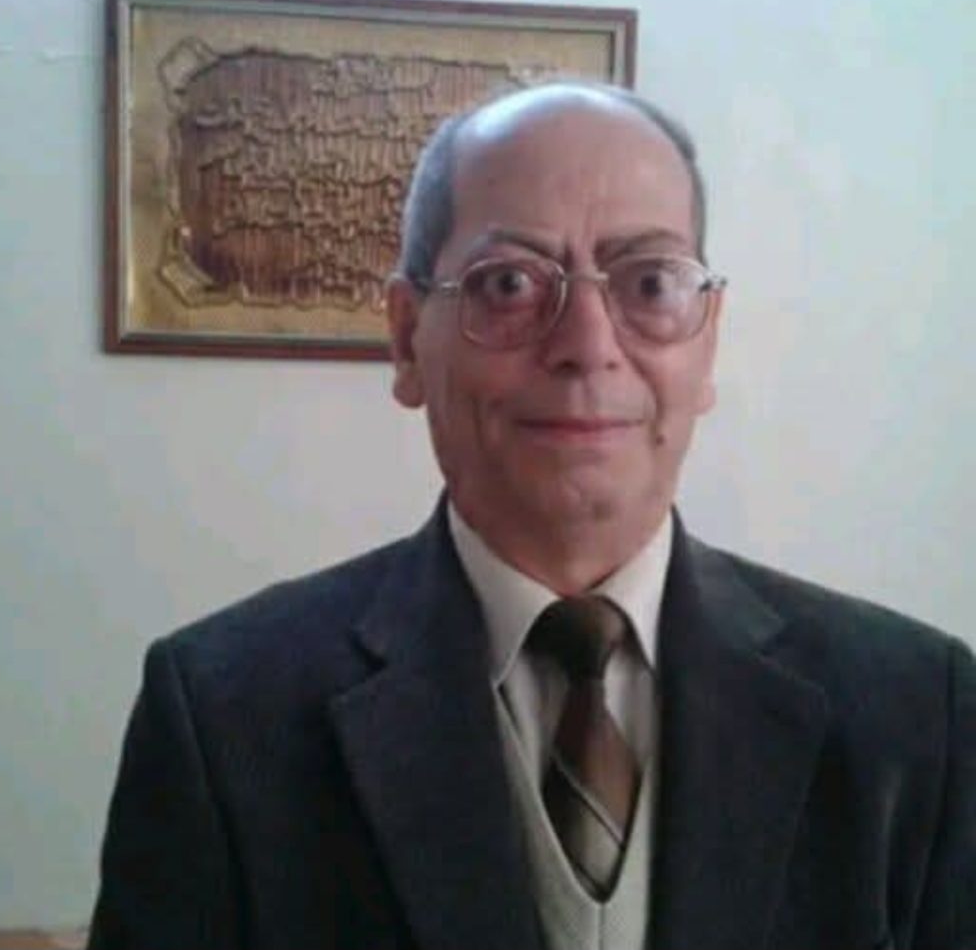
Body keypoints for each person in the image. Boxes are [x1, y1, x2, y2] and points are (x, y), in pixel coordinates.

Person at [87, 82, 975, 950]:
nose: (587, 344)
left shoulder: (916, 712)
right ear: (406, 338)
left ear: (707, 340)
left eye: (650, 282)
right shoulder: (222, 717)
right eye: (508, 282)